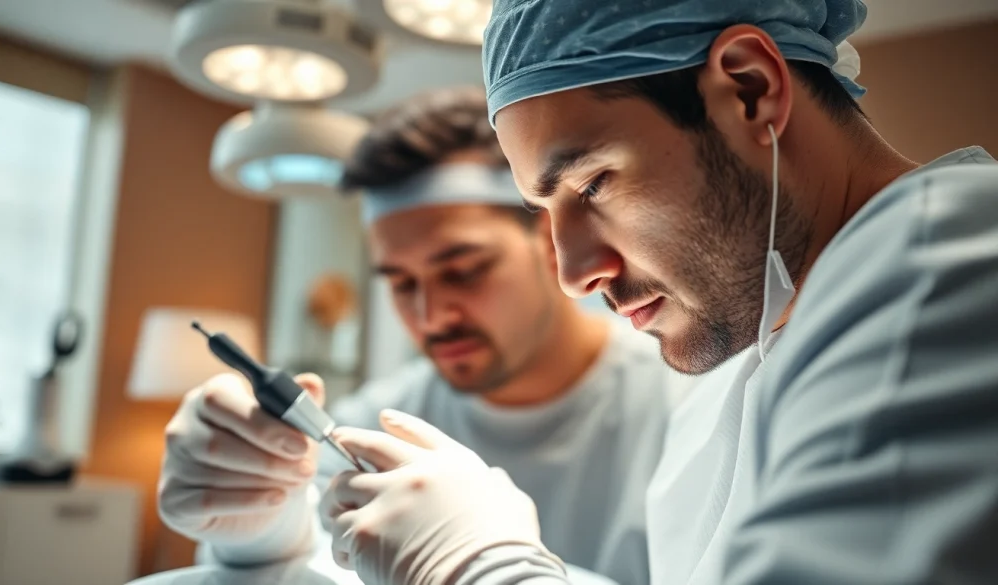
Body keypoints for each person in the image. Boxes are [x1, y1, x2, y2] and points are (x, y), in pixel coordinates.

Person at [318, 1, 998, 585]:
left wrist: (480, 566)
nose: (574, 273)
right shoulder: (738, 363)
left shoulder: (948, 267)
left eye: (592, 185)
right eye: (545, 211)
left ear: (751, 89)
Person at [158, 87, 683, 585]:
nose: (430, 317)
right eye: (401, 283)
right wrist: (261, 536)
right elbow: (302, 555)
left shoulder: (683, 407)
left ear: (552, 243)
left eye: (463, 271)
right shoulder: (376, 422)